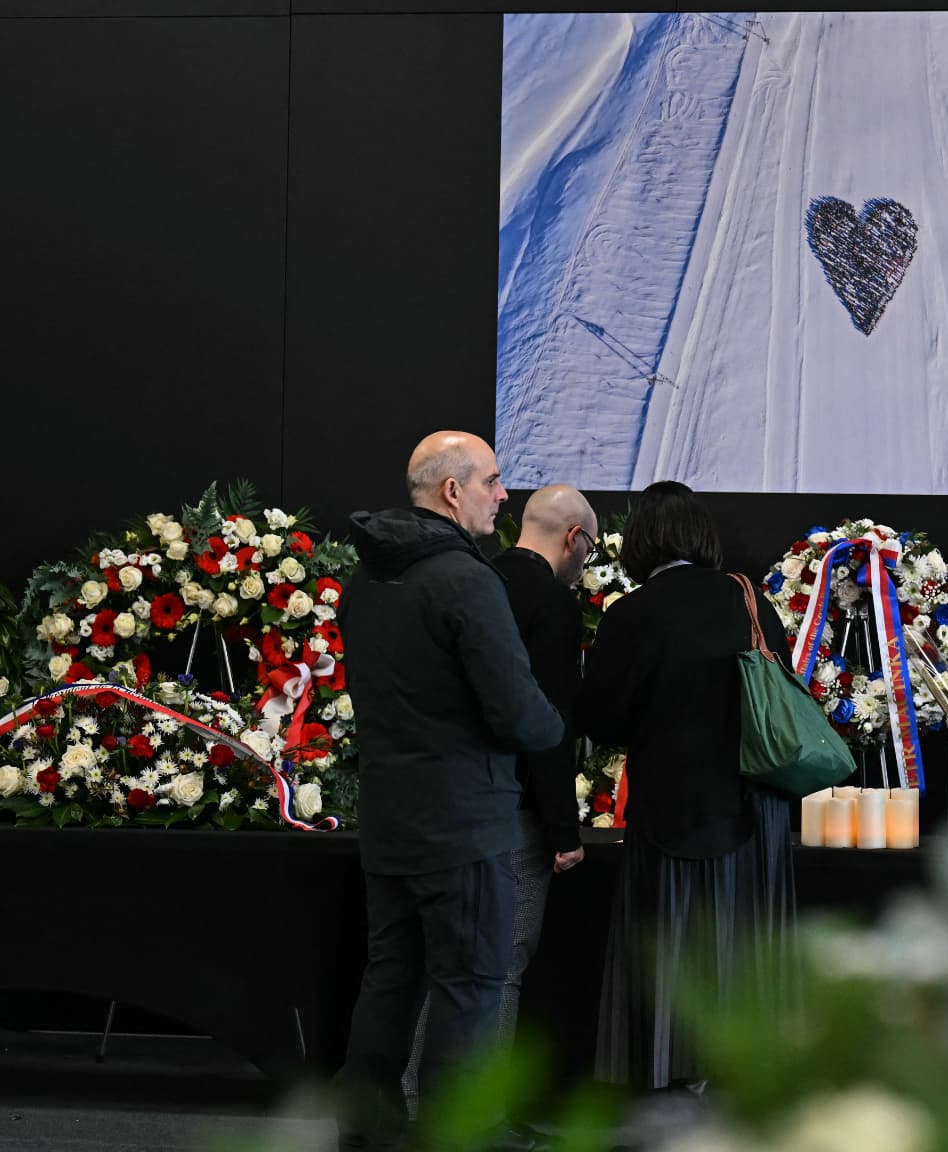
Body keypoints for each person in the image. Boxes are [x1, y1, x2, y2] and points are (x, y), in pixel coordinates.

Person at [336, 431, 564, 1150]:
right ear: (452, 491)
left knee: (389, 982)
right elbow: (519, 712)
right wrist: (557, 724)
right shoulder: (467, 581)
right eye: (494, 481)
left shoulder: (365, 580)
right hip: (465, 827)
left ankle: (366, 1136)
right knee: (469, 990)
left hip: (390, 820)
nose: (504, 496)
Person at [577, 480, 797, 1090]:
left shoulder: (632, 614)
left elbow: (601, 719)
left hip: (672, 808)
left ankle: (669, 1077)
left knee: (671, 949)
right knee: (747, 939)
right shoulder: (747, 599)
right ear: (701, 535)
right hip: (755, 807)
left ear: (642, 542)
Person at [402, 485, 597, 1116]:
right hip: (512, 814)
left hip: (444, 804)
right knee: (499, 971)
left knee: (446, 972)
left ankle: (415, 1104)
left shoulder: (471, 583)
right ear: (574, 539)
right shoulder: (555, 607)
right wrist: (564, 830)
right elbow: (547, 728)